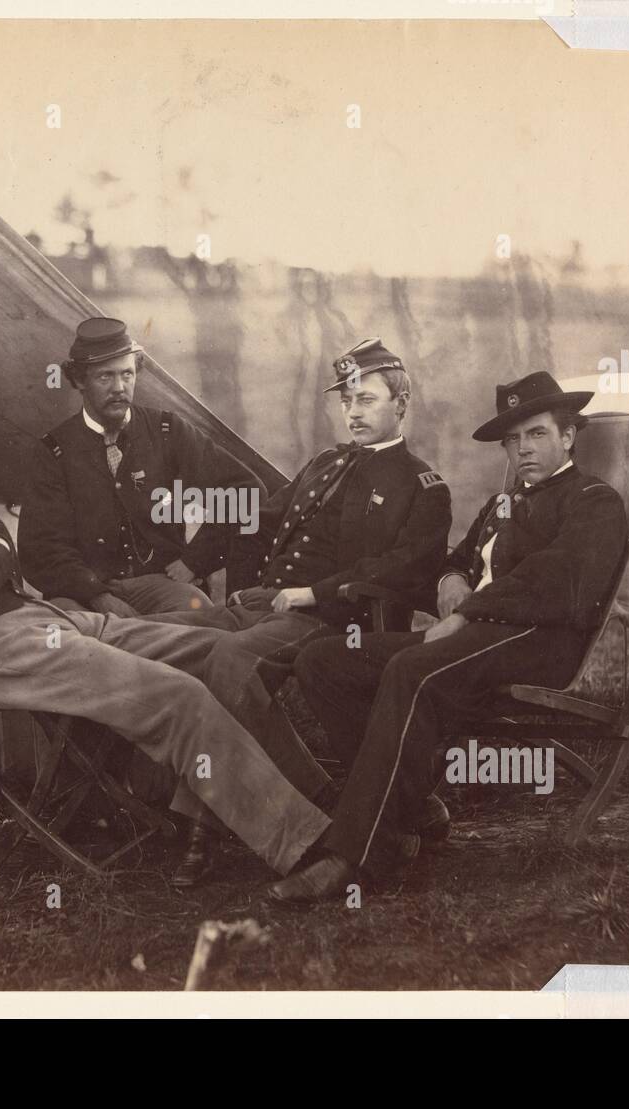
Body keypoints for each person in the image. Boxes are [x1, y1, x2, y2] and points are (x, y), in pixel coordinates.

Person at [0, 353, 328, 875]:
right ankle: (304, 846)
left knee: (223, 649)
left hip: (43, 622)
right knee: (178, 696)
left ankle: (317, 794)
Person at [271, 371, 628, 902]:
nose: (522, 448)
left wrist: (468, 612)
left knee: (410, 671)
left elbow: (559, 582)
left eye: (536, 434)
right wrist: (451, 580)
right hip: (473, 638)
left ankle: (358, 854)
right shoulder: (502, 503)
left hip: (535, 642)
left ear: (568, 436)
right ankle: (410, 810)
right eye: (513, 439)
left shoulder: (593, 501)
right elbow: (456, 560)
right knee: (325, 662)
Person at [147, 338, 452, 886]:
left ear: (401, 405)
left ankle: (202, 830)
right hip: (265, 606)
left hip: (336, 620)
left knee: (232, 661)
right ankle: (317, 792)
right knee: (155, 639)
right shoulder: (326, 463)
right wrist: (195, 562)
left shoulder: (421, 484)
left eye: (368, 400)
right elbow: (259, 517)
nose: (354, 412)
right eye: (348, 401)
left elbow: (404, 568)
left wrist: (315, 593)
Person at [18, 317, 263, 615]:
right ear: (80, 380)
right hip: (83, 592)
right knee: (60, 633)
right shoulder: (52, 451)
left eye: (127, 374)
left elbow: (246, 492)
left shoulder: (168, 430)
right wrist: (98, 596)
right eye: (105, 377)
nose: (119, 388)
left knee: (198, 620)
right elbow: (42, 548)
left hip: (161, 584)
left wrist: (195, 561)